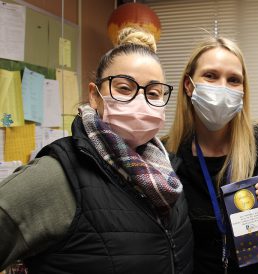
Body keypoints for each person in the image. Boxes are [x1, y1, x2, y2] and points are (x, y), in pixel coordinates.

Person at [0, 27, 193, 274]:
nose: (141, 101)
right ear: (94, 95)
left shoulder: (169, 175)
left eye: (153, 92)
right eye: (124, 88)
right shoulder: (57, 175)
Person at [163, 36, 258, 274]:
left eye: (234, 80)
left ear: (243, 90)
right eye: (210, 76)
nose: (222, 87)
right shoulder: (168, 153)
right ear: (188, 84)